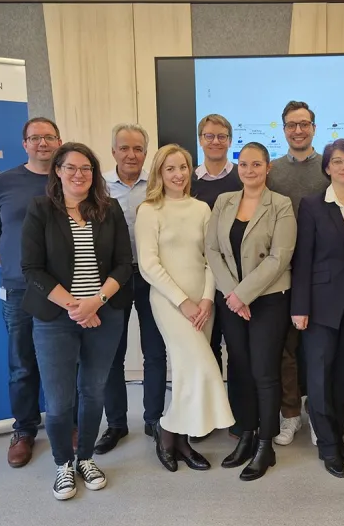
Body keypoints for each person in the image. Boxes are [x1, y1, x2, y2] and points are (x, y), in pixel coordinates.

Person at [21, 142, 133, 501]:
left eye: (86, 168)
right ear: (58, 170)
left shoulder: (108, 208)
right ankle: (62, 464)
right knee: (58, 399)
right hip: (56, 316)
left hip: (105, 314)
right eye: (71, 167)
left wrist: (96, 302)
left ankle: (84, 458)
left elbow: (122, 264)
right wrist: (74, 306)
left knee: (94, 391)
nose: (79, 174)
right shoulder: (41, 209)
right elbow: (32, 269)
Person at [136, 144, 235, 472]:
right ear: (159, 173)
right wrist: (183, 302)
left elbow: (211, 258)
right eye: (170, 169)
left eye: (182, 168)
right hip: (169, 303)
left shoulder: (201, 208)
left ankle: (180, 440)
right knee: (202, 366)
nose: (177, 175)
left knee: (187, 374)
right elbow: (149, 265)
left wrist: (206, 299)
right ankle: (168, 428)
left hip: (202, 303)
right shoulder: (149, 210)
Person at [206, 142, 297, 481]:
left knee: (264, 371)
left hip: (269, 299)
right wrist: (233, 294)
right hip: (231, 300)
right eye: (243, 164)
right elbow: (212, 249)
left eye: (256, 164)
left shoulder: (281, 204)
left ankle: (265, 443)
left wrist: (243, 294)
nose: (249, 170)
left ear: (267, 167)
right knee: (240, 367)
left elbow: (280, 256)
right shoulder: (223, 201)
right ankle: (245, 433)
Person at [0, 116, 63, 468]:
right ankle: (25, 430)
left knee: (65, 363)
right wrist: (17, 268)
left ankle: (66, 424)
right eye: (35, 138)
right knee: (22, 365)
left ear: (59, 142)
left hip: (65, 291)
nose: (42, 143)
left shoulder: (69, 179)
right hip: (19, 292)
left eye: (49, 137)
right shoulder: (3, 183)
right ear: (25, 143)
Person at [291, 139, 344, 478]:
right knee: (320, 376)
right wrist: (300, 306)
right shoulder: (312, 205)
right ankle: (327, 446)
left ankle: (338, 438)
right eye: (337, 161)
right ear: (327, 167)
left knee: (342, 375)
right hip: (320, 304)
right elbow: (303, 259)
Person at [95, 123, 166, 455]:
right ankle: (117, 424)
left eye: (138, 148)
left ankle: (153, 419)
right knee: (112, 354)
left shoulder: (157, 184)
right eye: (124, 148)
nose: (131, 154)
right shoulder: (99, 187)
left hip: (153, 277)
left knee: (154, 352)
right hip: (112, 278)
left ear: (146, 152)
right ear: (113, 152)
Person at [266, 101, 329, 446]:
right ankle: (290, 414)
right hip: (283, 273)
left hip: (322, 274)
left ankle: (319, 415)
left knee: (320, 351)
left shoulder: (330, 168)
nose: (298, 130)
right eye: (292, 125)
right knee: (286, 350)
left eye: (304, 124)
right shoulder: (272, 171)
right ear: (284, 128)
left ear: (314, 128)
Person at [190, 113, 243, 441]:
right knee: (204, 350)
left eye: (222, 136)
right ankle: (204, 415)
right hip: (198, 280)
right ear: (200, 139)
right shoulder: (187, 179)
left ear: (230, 139)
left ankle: (237, 416)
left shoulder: (242, 177)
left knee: (237, 351)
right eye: (209, 136)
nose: (215, 141)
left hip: (236, 281)